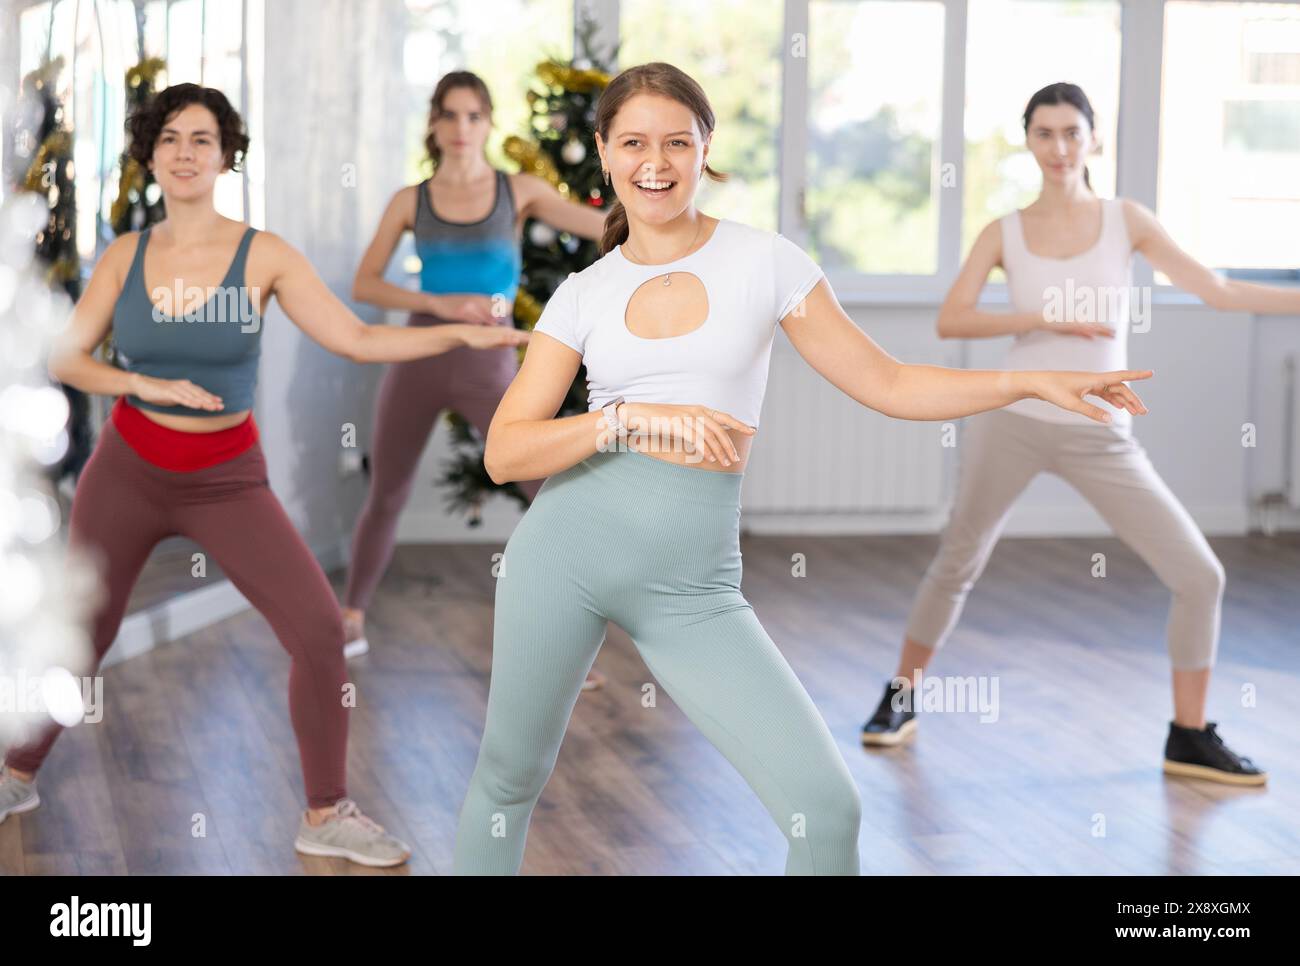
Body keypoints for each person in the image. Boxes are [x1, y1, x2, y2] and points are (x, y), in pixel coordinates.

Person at [450, 63, 1151, 875]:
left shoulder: (765, 263)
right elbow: (507, 450)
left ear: (706, 148)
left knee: (825, 808)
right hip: (563, 556)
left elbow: (889, 382)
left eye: (678, 141)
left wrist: (1027, 378)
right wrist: (624, 418)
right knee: (507, 782)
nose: (656, 162)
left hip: (692, 587)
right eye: (634, 142)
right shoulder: (584, 293)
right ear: (604, 154)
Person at [0, 83, 527, 866]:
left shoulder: (265, 254)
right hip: (130, 472)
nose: (185, 152)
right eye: (171, 137)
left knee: (318, 629)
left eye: (203, 139)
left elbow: (356, 338)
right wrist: (145, 385)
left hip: (227, 478)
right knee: (84, 632)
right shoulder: (127, 255)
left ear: (226, 156)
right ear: (151, 152)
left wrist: (459, 335)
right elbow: (65, 356)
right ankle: (16, 772)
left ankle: (326, 811)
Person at [862, 82, 1283, 787]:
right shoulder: (1005, 231)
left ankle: (1188, 735)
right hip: (1017, 420)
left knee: (1199, 575)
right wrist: (1040, 321)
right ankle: (898, 697)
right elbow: (953, 319)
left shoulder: (1127, 221)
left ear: (1093, 139)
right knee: (958, 560)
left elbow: (1218, 290)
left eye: (1071, 133)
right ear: (1028, 141)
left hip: (1100, 429)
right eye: (1044, 134)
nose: (1058, 148)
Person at [340, 71, 607, 693]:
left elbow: (602, 225)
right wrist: (440, 303)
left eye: (474, 116)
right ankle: (349, 615)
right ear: (434, 124)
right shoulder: (412, 200)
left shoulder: (519, 191)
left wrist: (662, 193)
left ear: (488, 123)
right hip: (420, 353)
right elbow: (365, 284)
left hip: (488, 362)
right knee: (388, 489)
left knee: (548, 491)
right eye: (450, 116)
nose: (462, 129)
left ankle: (572, 638)